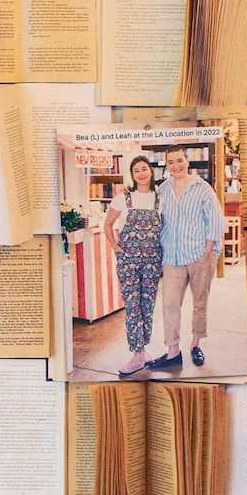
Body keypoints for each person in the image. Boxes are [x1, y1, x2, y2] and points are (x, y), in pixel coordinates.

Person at [148, 144, 226, 371]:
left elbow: (216, 220)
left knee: (199, 303)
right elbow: (154, 217)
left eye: (179, 160)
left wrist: (208, 249)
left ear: (187, 160)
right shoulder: (162, 189)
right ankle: (173, 351)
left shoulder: (203, 188)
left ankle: (195, 344)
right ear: (167, 165)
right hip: (172, 256)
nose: (176, 165)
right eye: (171, 162)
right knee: (170, 304)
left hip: (199, 254)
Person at [104, 154, 163, 377]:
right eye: (136, 170)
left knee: (147, 306)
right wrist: (116, 248)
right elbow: (108, 225)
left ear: (151, 171)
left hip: (152, 262)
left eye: (144, 168)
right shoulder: (123, 198)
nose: (141, 173)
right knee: (132, 307)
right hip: (128, 262)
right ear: (132, 174)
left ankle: (142, 350)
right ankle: (137, 353)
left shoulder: (160, 198)